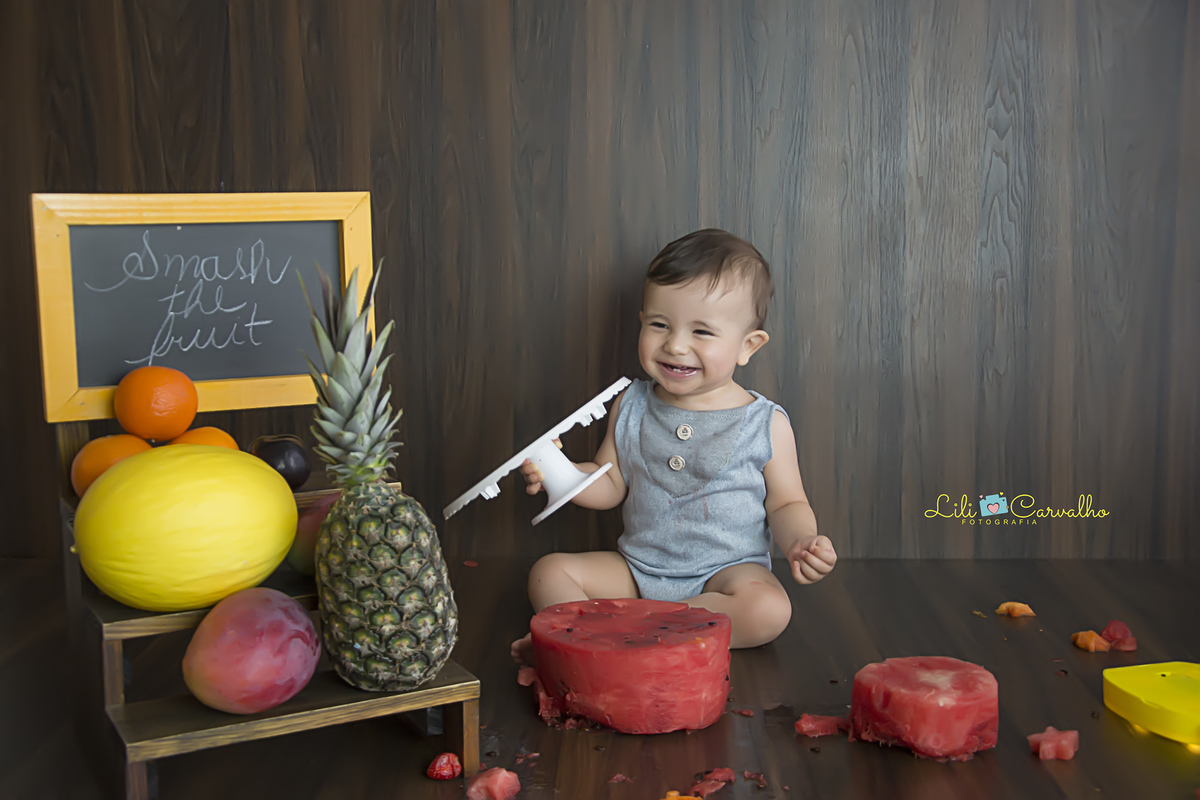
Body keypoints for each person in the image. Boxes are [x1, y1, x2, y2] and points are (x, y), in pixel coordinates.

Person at [512, 229, 836, 665]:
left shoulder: (766, 423)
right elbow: (610, 484)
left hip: (722, 579)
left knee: (768, 609)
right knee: (548, 572)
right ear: (642, 320)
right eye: (659, 325)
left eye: (702, 331)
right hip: (637, 572)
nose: (675, 345)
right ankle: (612, 635)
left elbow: (787, 502)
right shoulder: (632, 404)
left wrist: (802, 540)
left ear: (748, 346)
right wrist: (560, 472)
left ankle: (593, 635)